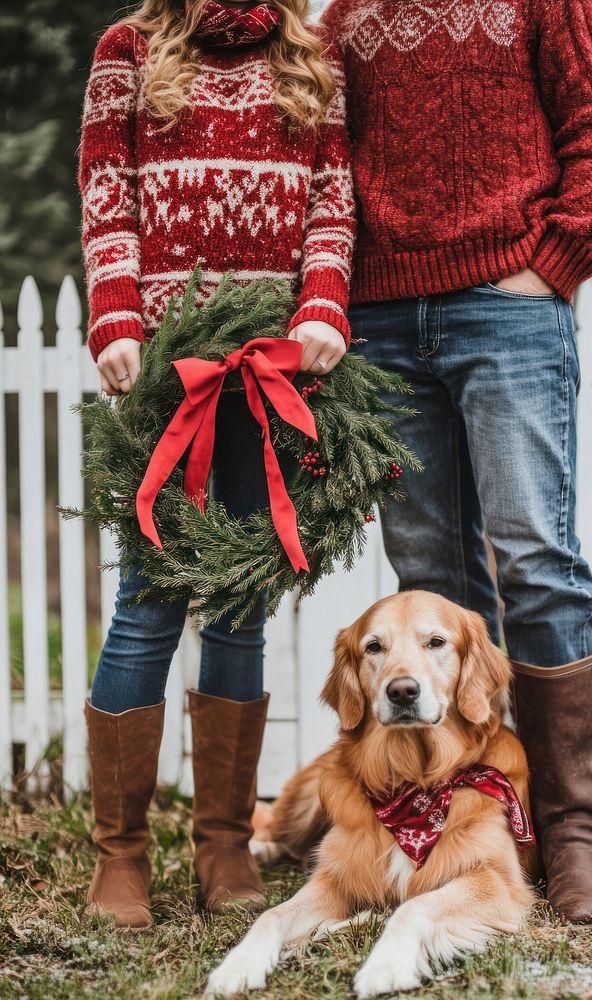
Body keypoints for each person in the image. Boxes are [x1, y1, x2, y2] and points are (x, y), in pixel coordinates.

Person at [321, 0, 592, 926]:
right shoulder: (345, 16)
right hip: (380, 320)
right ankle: (468, 822)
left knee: (536, 560)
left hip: (508, 305)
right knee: (433, 584)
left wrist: (554, 260)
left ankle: (572, 833)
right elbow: (327, 158)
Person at [79, 0, 354, 928]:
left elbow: (332, 205)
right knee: (148, 605)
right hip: (171, 367)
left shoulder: (308, 57)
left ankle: (225, 847)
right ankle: (120, 857)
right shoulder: (130, 48)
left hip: (272, 369)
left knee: (239, 605)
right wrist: (116, 315)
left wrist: (321, 306)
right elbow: (106, 192)